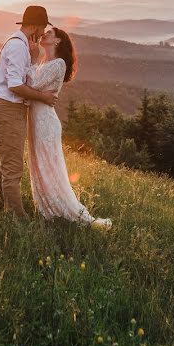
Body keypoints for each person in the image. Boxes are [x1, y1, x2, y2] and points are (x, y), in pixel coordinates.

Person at [26, 27, 112, 229]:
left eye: (49, 33)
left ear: (57, 42)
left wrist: (30, 58)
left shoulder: (59, 64)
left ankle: (70, 214)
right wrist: (34, 59)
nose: (44, 34)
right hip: (36, 120)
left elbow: (33, 83)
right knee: (38, 165)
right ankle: (47, 209)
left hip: (46, 123)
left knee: (50, 167)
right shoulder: (44, 62)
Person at [0, 6, 57, 219]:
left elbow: (22, 78)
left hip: (9, 109)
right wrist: (43, 97)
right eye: (43, 26)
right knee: (13, 167)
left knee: (5, 161)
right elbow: (15, 85)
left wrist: (35, 57)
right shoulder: (18, 47)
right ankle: (18, 218)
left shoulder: (18, 44)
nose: (43, 31)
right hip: (8, 109)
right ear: (35, 26)